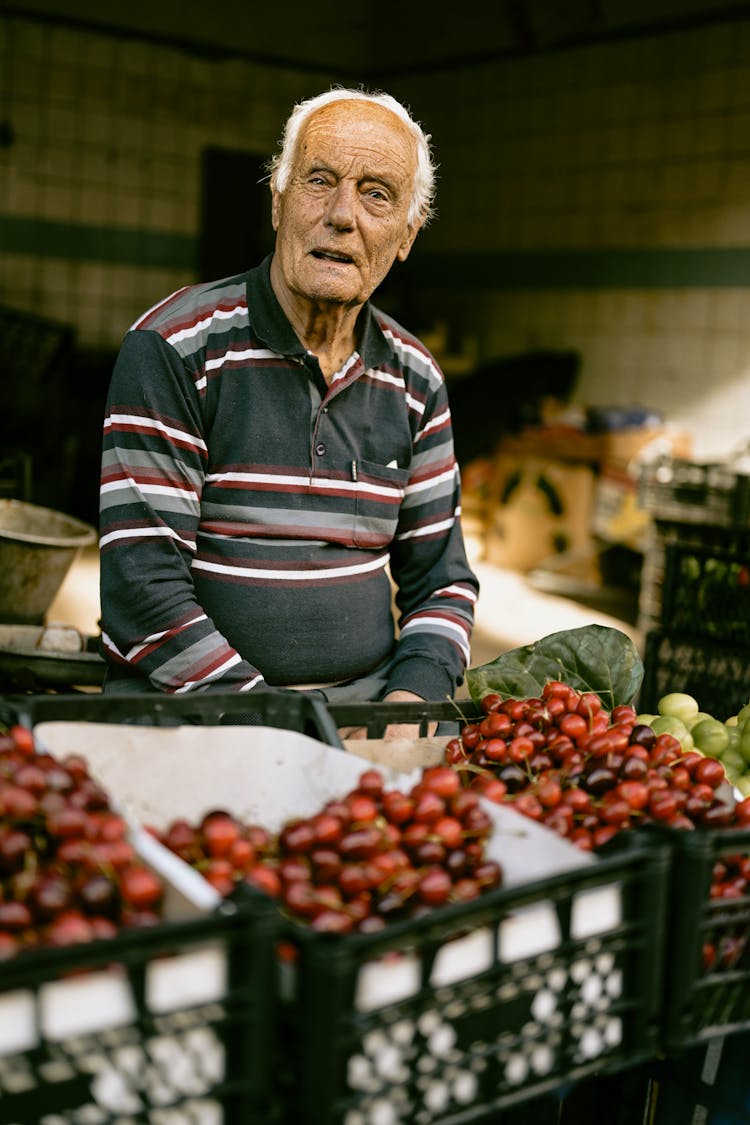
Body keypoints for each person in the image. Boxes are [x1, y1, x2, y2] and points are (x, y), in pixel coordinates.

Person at [98, 86, 479, 738]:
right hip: (193, 717)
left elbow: (442, 584)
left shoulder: (416, 378)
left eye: (376, 195)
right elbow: (142, 589)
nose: (341, 215)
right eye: (319, 181)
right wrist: (288, 728)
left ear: (407, 236)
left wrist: (406, 708)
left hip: (362, 718)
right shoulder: (175, 347)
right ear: (277, 203)